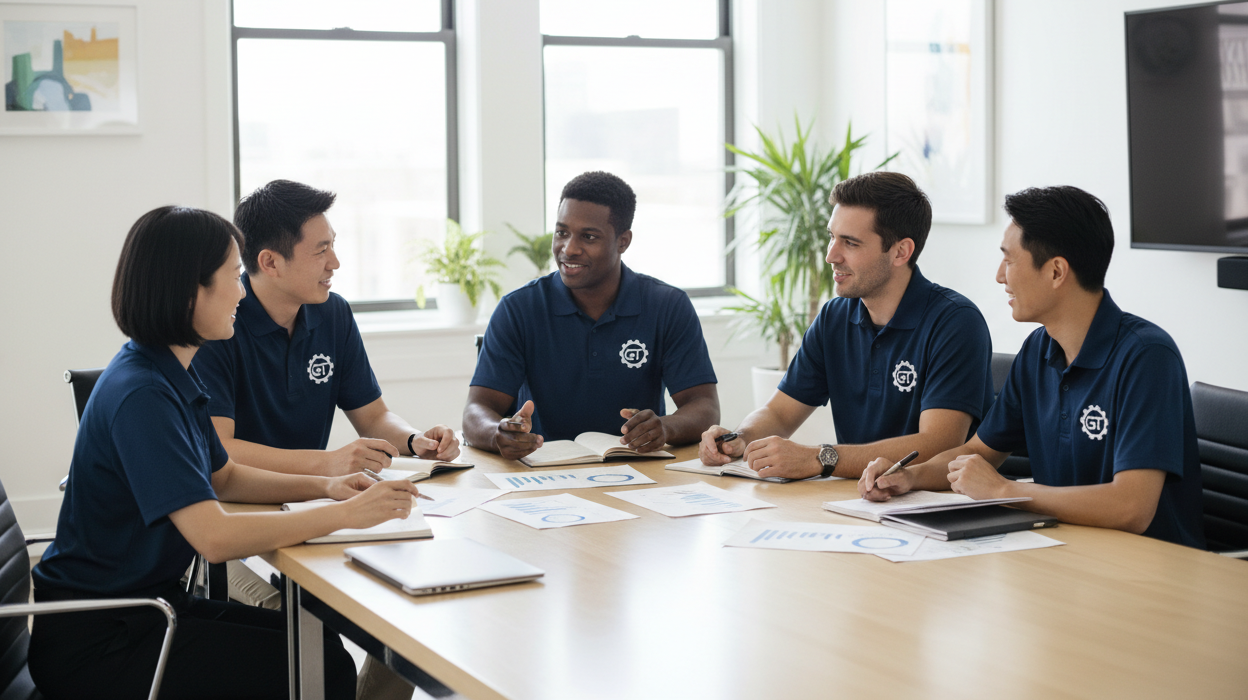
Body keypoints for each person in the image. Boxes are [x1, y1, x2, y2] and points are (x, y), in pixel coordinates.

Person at [29, 206, 419, 700]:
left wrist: (326, 487)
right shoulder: (143, 394)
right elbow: (213, 537)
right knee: (319, 670)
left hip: (145, 609)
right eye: (233, 277)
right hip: (103, 641)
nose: (242, 291)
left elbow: (225, 477)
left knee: (315, 648)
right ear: (188, 290)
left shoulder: (172, 371)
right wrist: (344, 515)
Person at [194, 179, 456, 699]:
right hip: (237, 534)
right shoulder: (221, 324)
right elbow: (220, 454)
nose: (335, 262)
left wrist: (413, 442)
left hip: (317, 513)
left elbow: (374, 415)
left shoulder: (331, 313)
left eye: (333, 245)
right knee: (316, 648)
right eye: (322, 250)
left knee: (406, 623)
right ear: (269, 262)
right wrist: (326, 466)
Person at [859, 186, 1205, 549]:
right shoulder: (1038, 350)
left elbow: (1132, 507)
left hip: (1150, 572)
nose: (999, 276)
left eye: (1009, 260)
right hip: (1068, 555)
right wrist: (910, 476)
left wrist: (1006, 490)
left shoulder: (1147, 357)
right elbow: (977, 452)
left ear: (1056, 271)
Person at [699, 171, 994, 480]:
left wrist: (821, 458)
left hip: (933, 503)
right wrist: (739, 438)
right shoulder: (834, 317)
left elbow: (939, 444)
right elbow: (779, 412)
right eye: (832, 237)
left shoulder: (956, 322)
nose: (831, 256)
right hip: (855, 499)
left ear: (900, 252)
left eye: (850, 243)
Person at [463, 171, 720, 460]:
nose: (569, 249)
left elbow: (704, 405)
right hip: (543, 474)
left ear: (623, 241)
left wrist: (664, 427)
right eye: (562, 232)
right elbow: (477, 409)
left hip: (639, 474)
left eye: (588, 236)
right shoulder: (518, 309)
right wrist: (497, 433)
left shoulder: (668, 306)